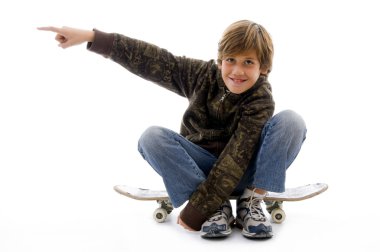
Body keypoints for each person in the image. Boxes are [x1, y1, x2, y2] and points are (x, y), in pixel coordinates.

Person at [38, 20, 306, 239]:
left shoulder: (260, 98)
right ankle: (217, 207)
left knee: (291, 121)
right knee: (152, 137)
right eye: (230, 60)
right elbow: (154, 60)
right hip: (198, 170)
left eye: (248, 62)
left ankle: (251, 201)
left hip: (246, 170)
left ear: (264, 68)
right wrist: (91, 37)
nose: (237, 70)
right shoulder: (202, 76)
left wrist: (196, 212)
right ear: (219, 60)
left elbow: (238, 155)